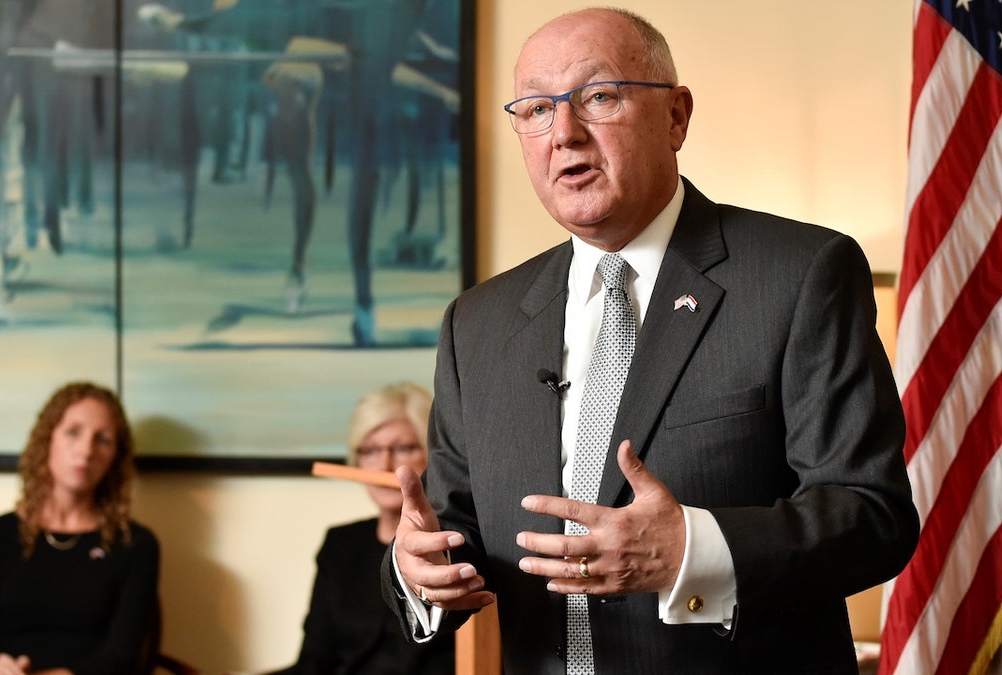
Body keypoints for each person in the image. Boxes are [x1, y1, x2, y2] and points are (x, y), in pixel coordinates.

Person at [380, 7, 920, 674]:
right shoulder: (478, 322)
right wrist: (415, 568)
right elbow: (450, 525)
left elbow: (871, 515)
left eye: (598, 97)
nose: (564, 134)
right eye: (535, 110)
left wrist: (693, 548)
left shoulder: (799, 275)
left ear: (676, 116)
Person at [0, 382, 160, 675]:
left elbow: (122, 659)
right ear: (47, 440)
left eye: (103, 439)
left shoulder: (135, 544)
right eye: (73, 432)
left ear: (116, 456)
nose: (86, 450)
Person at [277, 382, 454, 675]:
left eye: (403, 448)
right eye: (370, 451)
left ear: (433, 455)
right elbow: (314, 660)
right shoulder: (340, 543)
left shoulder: (457, 545)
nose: (384, 464)